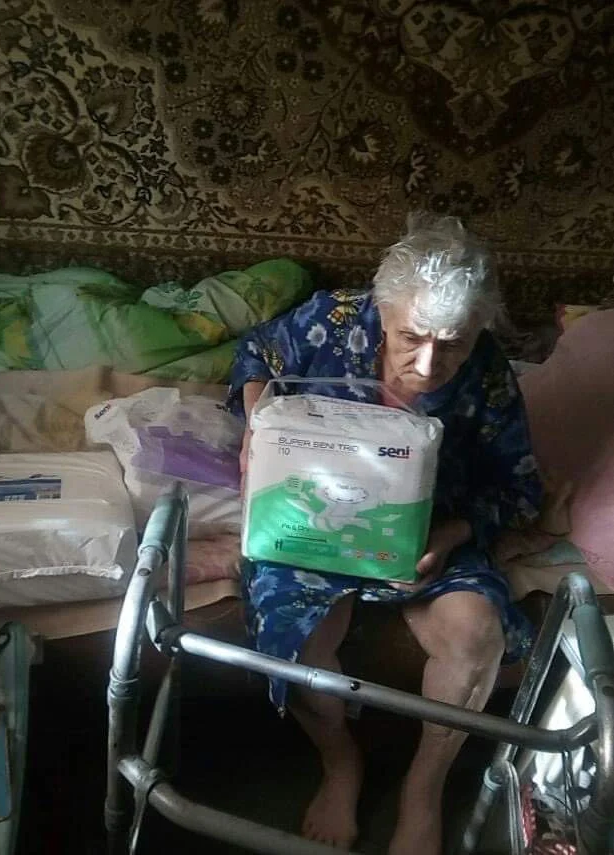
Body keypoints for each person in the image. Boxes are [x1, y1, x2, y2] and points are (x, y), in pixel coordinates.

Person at [227, 213, 542, 855]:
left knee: (476, 634)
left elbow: (518, 488)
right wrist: (260, 422)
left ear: (479, 331)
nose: (428, 364)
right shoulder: (329, 321)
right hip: (311, 519)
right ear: (382, 309)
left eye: (452, 343)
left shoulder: (484, 375)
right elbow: (253, 353)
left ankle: (422, 791)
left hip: (427, 529)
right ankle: (341, 762)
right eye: (412, 337)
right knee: (294, 637)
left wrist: (451, 537)